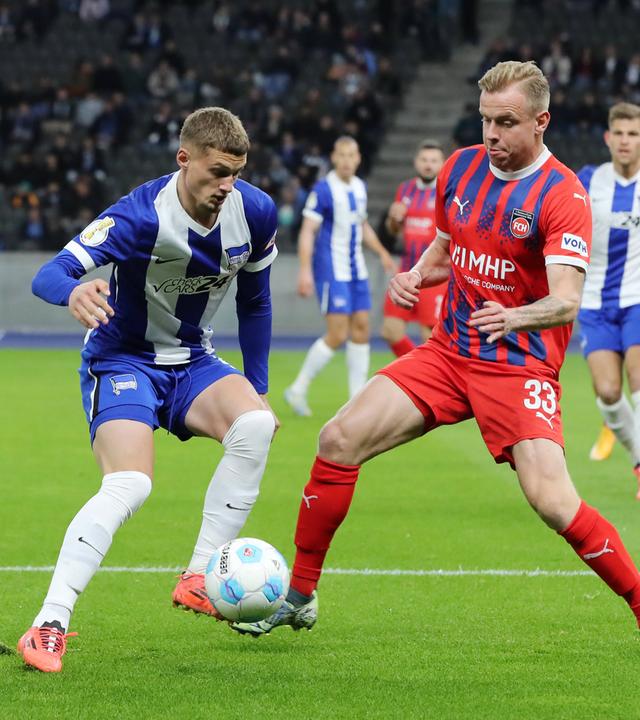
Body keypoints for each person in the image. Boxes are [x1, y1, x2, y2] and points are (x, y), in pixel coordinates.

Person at [232, 61, 640, 637]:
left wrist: (514, 316)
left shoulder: (562, 194)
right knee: (338, 438)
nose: (491, 134)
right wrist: (414, 276)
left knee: (553, 502)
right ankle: (299, 595)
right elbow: (446, 251)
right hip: (447, 354)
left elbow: (567, 300)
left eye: (506, 122)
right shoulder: (461, 167)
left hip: (517, 366)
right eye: (485, 121)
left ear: (541, 121)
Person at [19, 107, 279, 672]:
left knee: (257, 425)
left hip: (193, 361)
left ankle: (199, 575)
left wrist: (257, 387)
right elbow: (50, 273)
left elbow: (256, 302)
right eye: (217, 172)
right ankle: (48, 624)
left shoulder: (255, 212)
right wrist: (73, 292)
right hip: (123, 360)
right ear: (184, 159)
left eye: (236, 172)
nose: (227, 185)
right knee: (130, 484)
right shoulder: (138, 215)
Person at [284, 136, 395, 416]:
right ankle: (298, 388)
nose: (346, 160)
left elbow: (362, 225)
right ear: (334, 158)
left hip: (357, 268)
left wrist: (382, 252)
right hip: (332, 269)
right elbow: (308, 230)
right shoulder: (323, 190)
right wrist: (305, 270)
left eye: (351, 155)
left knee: (362, 328)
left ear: (358, 159)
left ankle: (356, 400)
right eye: (341, 155)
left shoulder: (359, 187)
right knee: (338, 333)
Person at [576, 102, 640, 493]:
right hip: (595, 302)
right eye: (619, 133)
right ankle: (638, 457)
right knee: (608, 392)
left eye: (633, 134)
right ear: (607, 138)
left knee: (638, 377)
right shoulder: (588, 180)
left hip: (637, 298)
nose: (625, 141)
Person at [382, 140, 447, 356]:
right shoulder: (405, 189)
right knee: (390, 330)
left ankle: (427, 374)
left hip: (434, 275)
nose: (428, 165)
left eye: (434, 161)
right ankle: (415, 370)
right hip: (407, 271)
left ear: (442, 163)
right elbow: (393, 230)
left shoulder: (446, 191)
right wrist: (393, 219)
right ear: (416, 162)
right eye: (424, 160)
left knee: (430, 337)